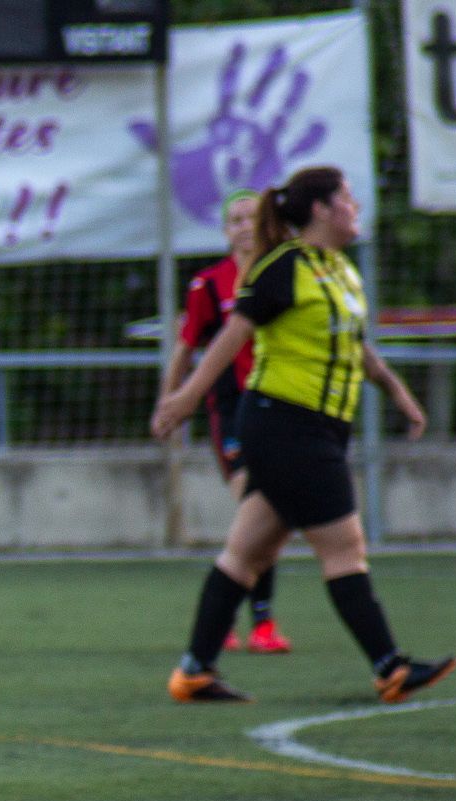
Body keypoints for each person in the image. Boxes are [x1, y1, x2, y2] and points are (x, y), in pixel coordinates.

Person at [152, 166, 454, 705]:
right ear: (320, 209)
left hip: (317, 427)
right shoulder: (283, 267)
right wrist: (188, 397)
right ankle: (390, 667)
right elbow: (234, 333)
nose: (355, 206)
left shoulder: (336, 270)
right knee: (344, 547)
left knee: (246, 552)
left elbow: (353, 345)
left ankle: (194, 671)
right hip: (286, 423)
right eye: (346, 197)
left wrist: (396, 391)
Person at [160, 190, 291, 655]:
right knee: (255, 505)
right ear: (224, 230)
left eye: (251, 218)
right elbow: (186, 345)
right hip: (233, 410)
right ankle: (257, 622)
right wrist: (171, 400)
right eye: (234, 219)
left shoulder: (287, 276)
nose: (243, 227)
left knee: (270, 516)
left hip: (283, 405)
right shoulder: (209, 285)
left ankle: (247, 618)